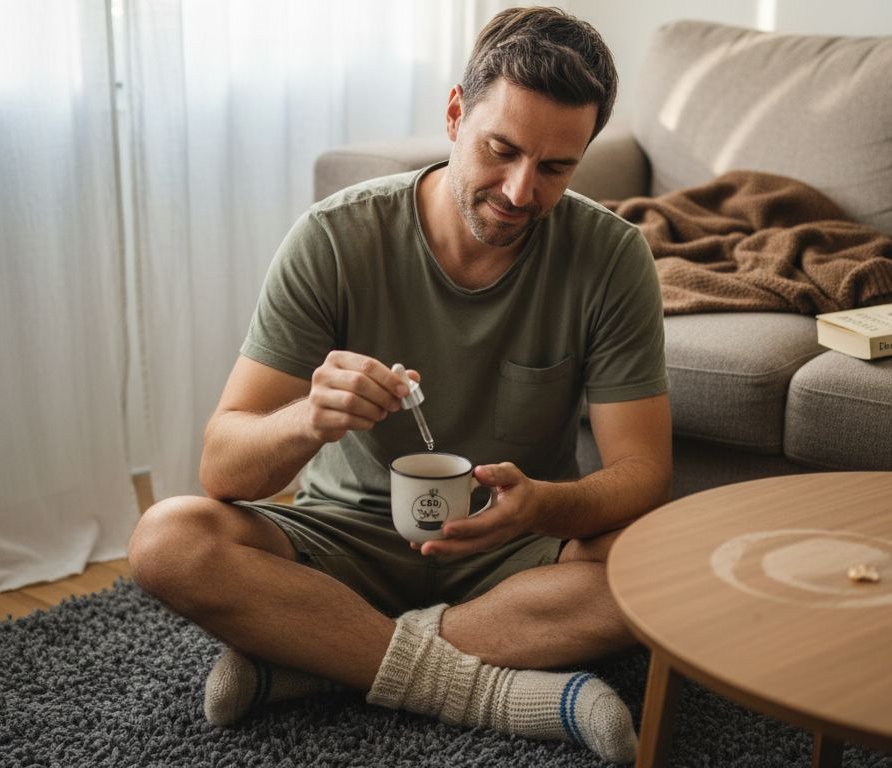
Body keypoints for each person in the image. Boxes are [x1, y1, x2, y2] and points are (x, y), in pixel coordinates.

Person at [128, 6, 671, 763]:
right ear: (454, 114)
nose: (520, 192)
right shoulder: (334, 238)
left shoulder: (612, 259)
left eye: (555, 168)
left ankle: (314, 661)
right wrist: (308, 418)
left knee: (663, 570)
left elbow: (644, 473)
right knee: (168, 540)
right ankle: (480, 688)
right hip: (343, 539)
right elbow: (223, 468)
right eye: (501, 150)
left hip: (511, 547)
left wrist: (543, 505)